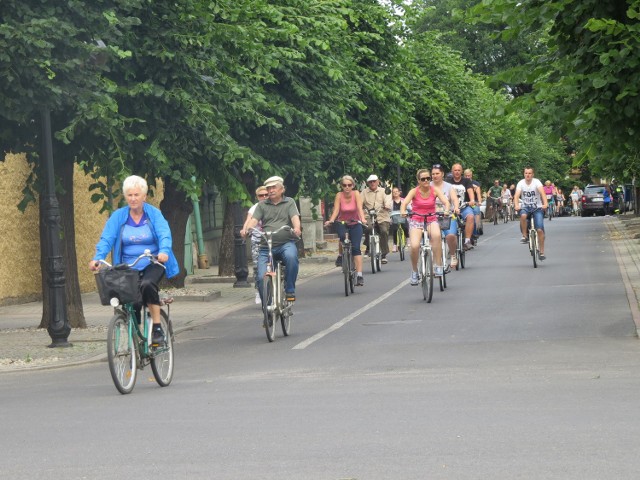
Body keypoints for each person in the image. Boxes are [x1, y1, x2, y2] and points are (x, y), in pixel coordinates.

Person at [89, 175, 180, 345]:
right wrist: (98, 258)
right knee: (133, 299)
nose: (133, 199)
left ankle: (158, 329)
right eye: (129, 195)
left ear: (144, 196)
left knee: (146, 285)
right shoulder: (119, 216)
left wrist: (164, 251)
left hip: (153, 262)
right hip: (128, 266)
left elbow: (164, 234)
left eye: (136, 195)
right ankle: (136, 337)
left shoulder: (154, 214)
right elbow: (107, 239)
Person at [240, 176, 301, 303]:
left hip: (285, 243)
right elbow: (254, 220)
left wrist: (296, 228)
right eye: (269, 188)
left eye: (274, 187)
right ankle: (266, 309)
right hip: (265, 246)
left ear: (281, 189)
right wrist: (248, 229)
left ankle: (290, 289)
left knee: (291, 257)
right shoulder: (262, 205)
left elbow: (294, 217)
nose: (271, 190)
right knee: (261, 277)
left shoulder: (289, 202)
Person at [401, 169, 451, 285]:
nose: (426, 181)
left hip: (431, 219)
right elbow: (404, 203)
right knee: (414, 246)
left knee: (437, 235)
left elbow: (446, 202)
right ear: (418, 180)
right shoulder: (414, 191)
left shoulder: (435, 190)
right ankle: (414, 271)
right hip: (416, 220)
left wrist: (447, 210)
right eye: (423, 179)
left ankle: (438, 265)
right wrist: (403, 211)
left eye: (428, 178)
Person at [324, 175, 367, 286]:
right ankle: (342, 255)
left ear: (353, 185)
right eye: (344, 185)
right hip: (342, 222)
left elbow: (359, 208)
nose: (347, 187)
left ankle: (359, 275)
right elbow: (336, 210)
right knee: (343, 237)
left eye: (349, 185)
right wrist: (331, 220)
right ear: (341, 186)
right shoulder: (339, 195)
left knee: (356, 248)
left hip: (355, 223)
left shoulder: (356, 194)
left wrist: (363, 219)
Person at [513, 167, 549, 260]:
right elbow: (516, 196)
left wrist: (545, 204)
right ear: (524, 174)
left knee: (540, 230)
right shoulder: (521, 183)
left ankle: (541, 252)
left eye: (529, 173)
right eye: (526, 173)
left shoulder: (537, 182)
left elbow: (542, 193)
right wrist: (516, 205)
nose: (527, 175)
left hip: (537, 207)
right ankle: (524, 236)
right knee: (523, 215)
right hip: (525, 207)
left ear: (533, 174)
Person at [243, 186, 269, 304]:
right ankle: (259, 291)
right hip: (258, 240)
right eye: (260, 195)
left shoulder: (273, 207)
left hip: (273, 239)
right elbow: (248, 221)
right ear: (257, 197)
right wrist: (244, 230)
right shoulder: (254, 208)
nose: (263, 197)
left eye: (266, 195)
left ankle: (279, 284)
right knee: (257, 267)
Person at [431, 164, 460, 268]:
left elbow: (454, 199)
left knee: (450, 235)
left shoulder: (449, 187)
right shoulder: (428, 186)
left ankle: (452, 255)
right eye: (433, 174)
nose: (435, 176)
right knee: (432, 237)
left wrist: (456, 207)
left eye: (437, 173)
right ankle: (434, 259)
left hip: (447, 215)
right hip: (432, 216)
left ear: (442, 174)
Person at [362, 174, 392, 264]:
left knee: (383, 231)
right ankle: (368, 246)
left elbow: (388, 200)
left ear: (378, 181)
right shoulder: (364, 192)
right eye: (370, 182)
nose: (372, 183)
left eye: (374, 181)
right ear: (368, 183)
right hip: (368, 215)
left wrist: (387, 206)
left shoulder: (384, 191)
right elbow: (359, 202)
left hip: (382, 215)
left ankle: (384, 254)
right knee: (368, 228)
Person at [448, 163, 478, 250]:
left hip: (463, 206)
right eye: (455, 170)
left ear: (461, 171)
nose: (457, 172)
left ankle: (467, 241)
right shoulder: (447, 181)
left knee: (471, 216)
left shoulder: (466, 181)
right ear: (452, 171)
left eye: (459, 170)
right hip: (451, 208)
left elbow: (470, 191)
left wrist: (472, 200)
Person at [389, 187, 409, 254]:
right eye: (393, 192)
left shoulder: (403, 200)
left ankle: (408, 239)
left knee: (405, 226)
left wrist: (408, 212)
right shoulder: (391, 202)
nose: (395, 193)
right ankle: (395, 245)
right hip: (394, 217)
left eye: (396, 191)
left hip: (403, 216)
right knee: (395, 229)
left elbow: (409, 207)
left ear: (399, 192)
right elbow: (389, 210)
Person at [464, 169, 483, 237]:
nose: (467, 177)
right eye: (466, 176)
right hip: (464, 203)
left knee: (476, 211)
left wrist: (479, 201)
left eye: (469, 175)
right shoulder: (462, 183)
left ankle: (476, 230)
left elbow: (478, 193)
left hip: (474, 202)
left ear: (471, 175)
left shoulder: (476, 184)